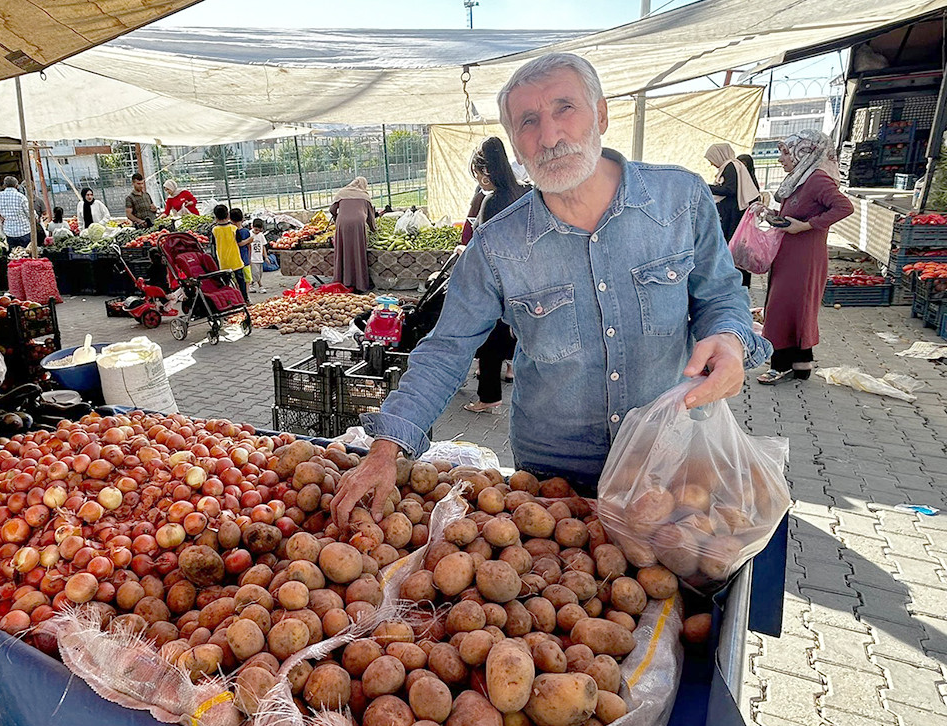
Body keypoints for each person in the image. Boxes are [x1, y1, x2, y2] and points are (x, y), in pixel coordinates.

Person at [329, 53, 769, 523]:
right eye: (528, 122)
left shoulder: (680, 200)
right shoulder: (498, 244)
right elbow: (446, 349)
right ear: (516, 144)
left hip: (670, 457)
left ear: (600, 114)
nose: (550, 136)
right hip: (553, 479)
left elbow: (720, 294)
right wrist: (386, 448)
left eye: (565, 109)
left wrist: (728, 338)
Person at [758, 131, 853, 385]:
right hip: (789, 254)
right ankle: (801, 367)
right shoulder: (800, 179)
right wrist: (768, 213)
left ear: (805, 152)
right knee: (794, 309)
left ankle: (780, 366)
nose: (780, 159)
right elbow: (791, 216)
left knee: (784, 308)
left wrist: (808, 226)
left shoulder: (818, 180)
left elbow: (844, 207)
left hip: (804, 257)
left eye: (786, 152)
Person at [463, 137, 531, 413]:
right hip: (524, 280)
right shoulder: (524, 192)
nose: (478, 180)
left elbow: (484, 248)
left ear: (487, 171)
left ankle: (488, 398)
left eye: (478, 173)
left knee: (490, 341)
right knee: (516, 336)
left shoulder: (491, 202)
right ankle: (516, 387)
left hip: (498, 284)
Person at [705, 143, 762, 287]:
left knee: (734, 249)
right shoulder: (731, 166)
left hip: (733, 217)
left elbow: (730, 189)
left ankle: (737, 283)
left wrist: (708, 187)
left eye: (712, 159)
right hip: (733, 215)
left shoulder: (730, 166)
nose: (712, 163)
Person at [329, 177, 376, 292]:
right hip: (358, 224)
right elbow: (370, 216)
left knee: (343, 250)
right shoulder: (365, 196)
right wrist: (373, 229)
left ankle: (343, 281)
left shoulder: (342, 193)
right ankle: (359, 283)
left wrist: (336, 217)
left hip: (342, 223)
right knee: (357, 251)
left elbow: (332, 209)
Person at [211, 204, 249, 301]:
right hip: (235, 260)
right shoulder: (233, 228)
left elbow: (213, 245)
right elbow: (240, 243)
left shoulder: (215, 230)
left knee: (225, 283)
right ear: (228, 215)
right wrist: (250, 240)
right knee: (241, 281)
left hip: (223, 262)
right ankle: (245, 299)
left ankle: (227, 301)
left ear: (215, 216)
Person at [0, 176, 32, 249]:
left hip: (9, 232)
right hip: (24, 231)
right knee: (27, 253)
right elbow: (29, 213)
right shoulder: (21, 197)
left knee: (13, 255)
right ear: (17, 186)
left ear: (4, 186)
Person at [230, 208, 253, 290]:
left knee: (236, 280)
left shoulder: (231, 231)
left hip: (234, 260)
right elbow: (248, 246)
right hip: (244, 259)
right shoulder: (245, 231)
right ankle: (246, 295)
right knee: (247, 279)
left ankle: (240, 295)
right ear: (242, 218)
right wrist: (250, 258)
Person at [248, 218, 268, 292]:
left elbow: (263, 246)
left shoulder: (261, 235)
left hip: (259, 258)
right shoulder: (249, 234)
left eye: (258, 230)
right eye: (256, 230)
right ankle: (260, 286)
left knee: (259, 274)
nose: (257, 232)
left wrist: (266, 257)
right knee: (255, 273)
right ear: (252, 226)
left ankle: (251, 284)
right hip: (252, 258)